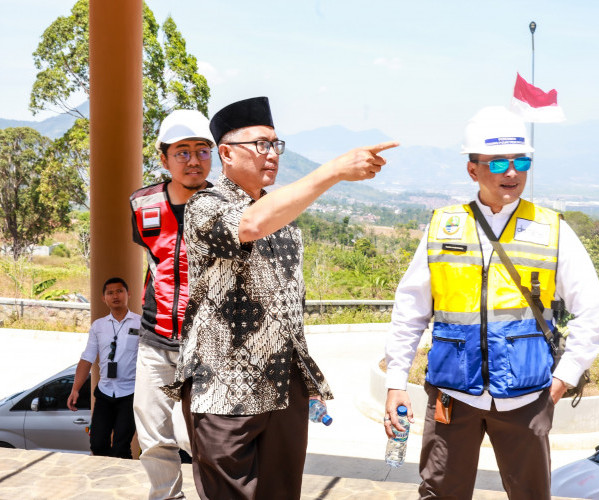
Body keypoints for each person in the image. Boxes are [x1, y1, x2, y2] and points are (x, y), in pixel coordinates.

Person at [161, 96, 398, 499]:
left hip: (283, 390)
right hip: (223, 393)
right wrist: (334, 171)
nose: (271, 154)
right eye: (260, 144)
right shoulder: (206, 205)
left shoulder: (286, 226)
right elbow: (250, 224)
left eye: (275, 145)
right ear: (226, 154)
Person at [383, 106, 599, 499]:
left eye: (522, 161)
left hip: (526, 396)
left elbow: (592, 308)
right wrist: (394, 381)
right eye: (500, 162)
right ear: (473, 170)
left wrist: (564, 378)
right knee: (439, 493)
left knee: (531, 495)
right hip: (452, 394)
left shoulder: (552, 229)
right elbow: (410, 308)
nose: (512, 172)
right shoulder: (443, 226)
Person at [130, 109, 215, 499]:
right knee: (152, 434)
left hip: (210, 346)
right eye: (182, 152)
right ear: (163, 159)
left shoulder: (227, 206)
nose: (193, 160)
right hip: (155, 338)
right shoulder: (142, 205)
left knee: (212, 441)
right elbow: (154, 261)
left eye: (202, 150)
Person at [67, 277, 141, 459]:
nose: (115, 296)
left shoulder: (141, 324)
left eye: (119, 291)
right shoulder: (98, 326)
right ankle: (105, 476)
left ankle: (119, 483)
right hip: (105, 391)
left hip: (130, 393)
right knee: (97, 443)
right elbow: (87, 358)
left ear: (128, 294)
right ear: (104, 298)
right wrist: (75, 389)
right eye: (110, 293)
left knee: (121, 447)